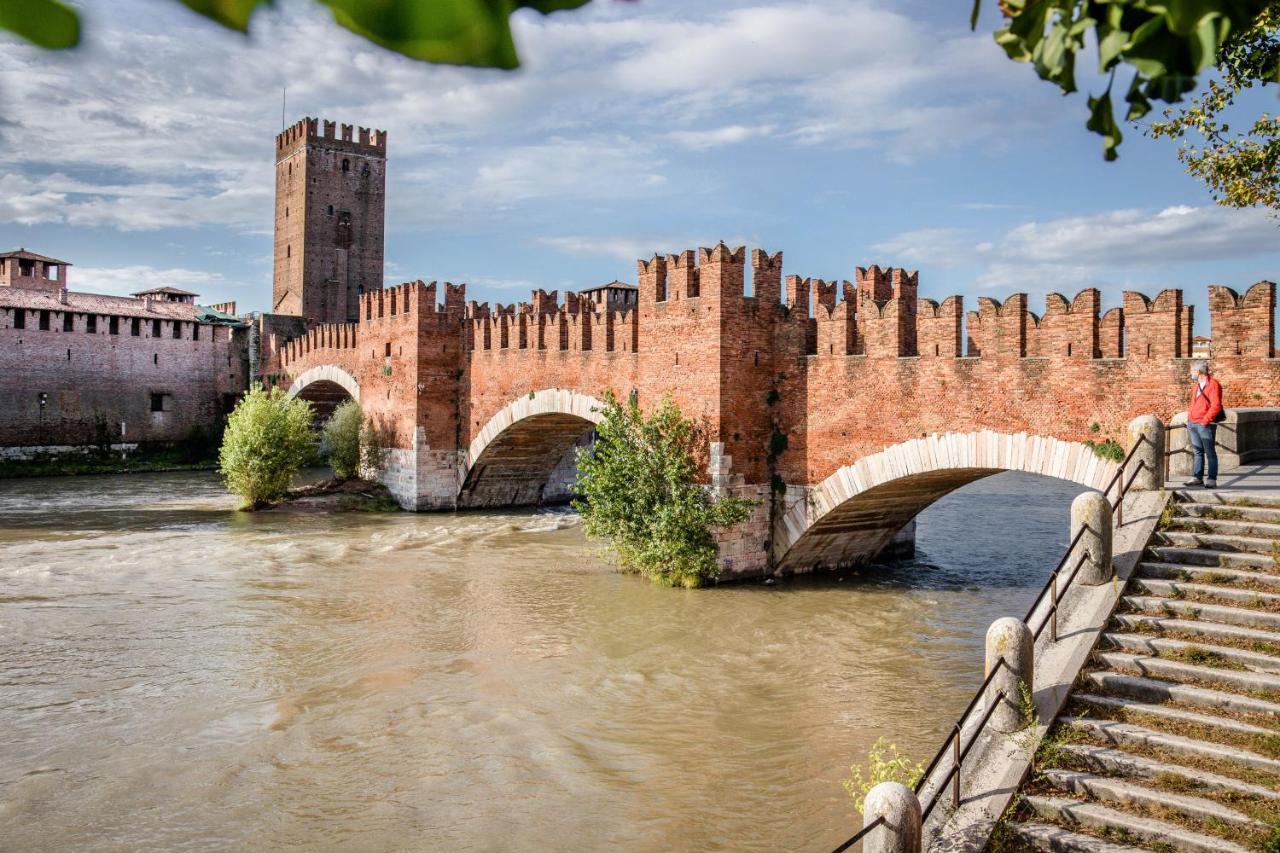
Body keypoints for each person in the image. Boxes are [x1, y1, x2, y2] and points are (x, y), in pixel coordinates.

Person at [1184, 359, 1223, 489]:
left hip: (1205, 424)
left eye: (1192, 370)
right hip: (1193, 423)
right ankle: (1197, 477)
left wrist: (1205, 420)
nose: (1190, 373)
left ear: (1199, 371)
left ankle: (1211, 479)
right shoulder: (1196, 385)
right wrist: (1189, 418)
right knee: (1197, 451)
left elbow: (1216, 405)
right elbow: (1194, 403)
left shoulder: (1213, 385)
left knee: (1210, 452)